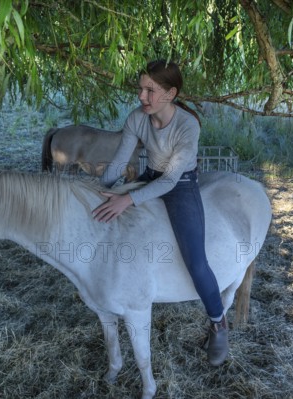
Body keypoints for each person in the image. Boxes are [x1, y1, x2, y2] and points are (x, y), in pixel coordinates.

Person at [92, 59, 228, 366]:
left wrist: (127, 199)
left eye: (149, 90)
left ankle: (219, 323)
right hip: (151, 175)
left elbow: (170, 180)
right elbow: (118, 162)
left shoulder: (187, 125)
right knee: (105, 213)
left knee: (196, 260)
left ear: (170, 93)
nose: (141, 96)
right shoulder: (137, 118)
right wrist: (100, 187)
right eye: (140, 88)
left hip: (180, 183)